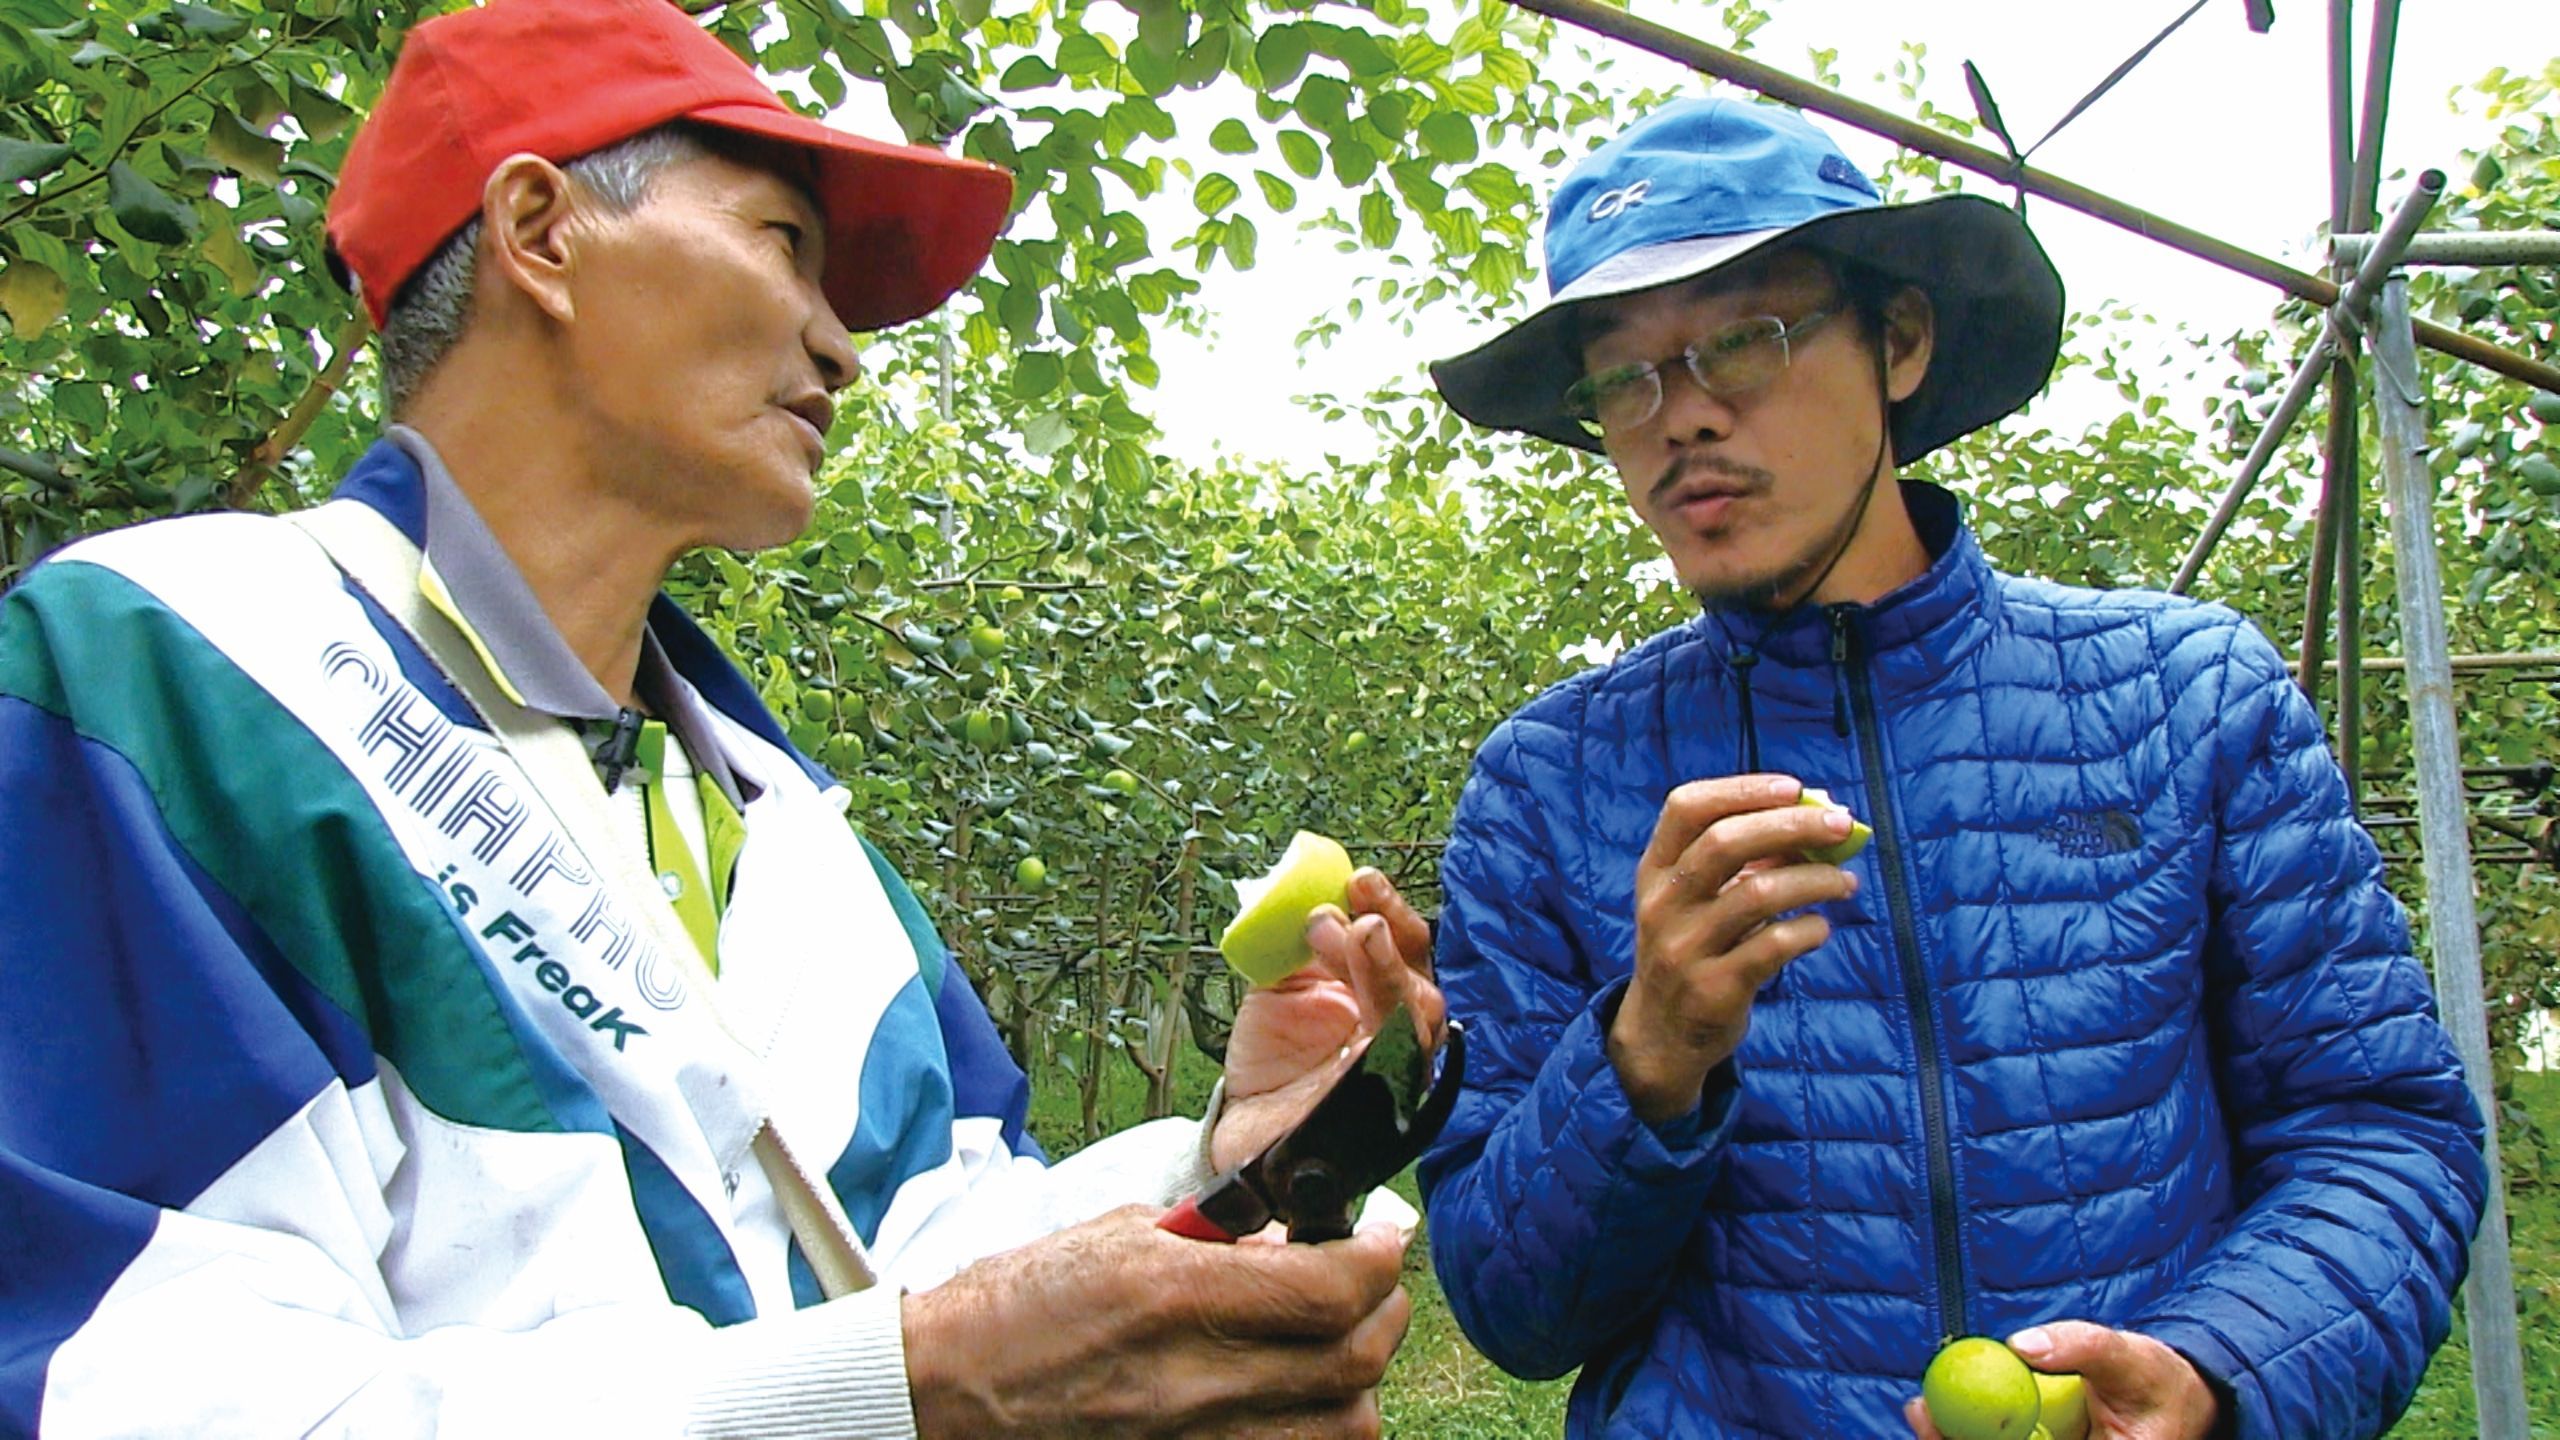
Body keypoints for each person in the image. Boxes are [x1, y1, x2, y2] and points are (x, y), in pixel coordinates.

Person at [0, 1, 1441, 1434]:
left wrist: (1222, 1169)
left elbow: (929, 1255)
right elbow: (123, 1382)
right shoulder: (185, 672)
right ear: (542, 230)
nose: (842, 347)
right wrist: (907, 1388)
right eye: (786, 247)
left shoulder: (784, 822)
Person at [1414, 96, 2487, 1439]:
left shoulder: (2182, 700)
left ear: (1899, 341)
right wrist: (1646, 1056)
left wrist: (2218, 1374)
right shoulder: (1550, 786)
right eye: (1625, 377)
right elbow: (1513, 1308)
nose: (1678, 419)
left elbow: (2382, 1129)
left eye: (1742, 342)